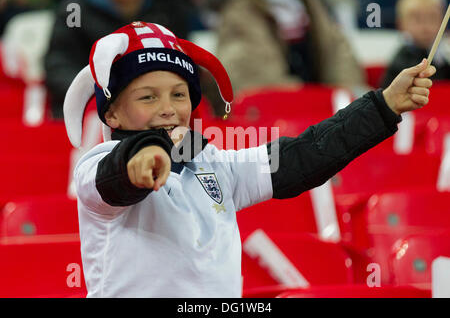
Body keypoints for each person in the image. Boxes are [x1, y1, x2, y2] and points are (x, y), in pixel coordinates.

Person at [63, 21, 436, 297]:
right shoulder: (96, 165)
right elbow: (117, 176)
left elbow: (300, 158)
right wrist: (144, 156)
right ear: (111, 115)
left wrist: (384, 105)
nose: (168, 109)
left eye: (179, 94)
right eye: (147, 97)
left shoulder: (210, 162)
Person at [44, 0, 195, 119]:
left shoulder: (171, 6)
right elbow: (58, 65)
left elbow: (184, 60)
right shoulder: (74, 9)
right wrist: (102, 96)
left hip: (162, 112)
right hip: (89, 112)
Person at [212, 0, 367, 111]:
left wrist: (348, 94)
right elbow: (260, 86)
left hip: (322, 115)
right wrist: (320, 102)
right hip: (279, 126)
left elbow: (339, 57)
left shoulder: (310, 6)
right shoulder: (240, 14)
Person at [382, 0, 450, 88]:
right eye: (417, 19)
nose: (426, 27)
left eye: (433, 18)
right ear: (400, 24)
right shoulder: (401, 60)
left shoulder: (444, 55)